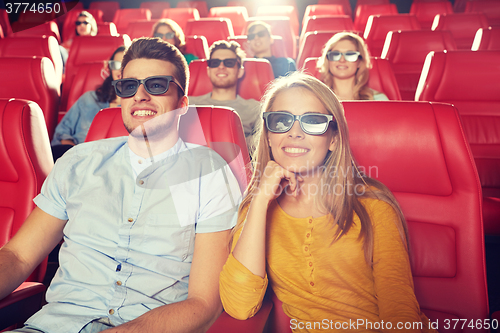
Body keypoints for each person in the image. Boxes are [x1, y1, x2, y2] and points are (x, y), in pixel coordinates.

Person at [0, 37, 241, 333]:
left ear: (182, 104)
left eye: (156, 85)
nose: (140, 95)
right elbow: (18, 256)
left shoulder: (210, 172)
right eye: (129, 86)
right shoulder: (78, 163)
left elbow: (205, 303)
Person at [219, 72, 436, 332]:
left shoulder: (373, 205)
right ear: (268, 136)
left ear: (333, 138)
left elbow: (400, 312)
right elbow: (239, 306)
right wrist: (260, 199)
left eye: (312, 121)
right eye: (281, 121)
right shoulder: (258, 207)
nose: (295, 133)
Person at [51, 45, 125, 161]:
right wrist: (77, 156)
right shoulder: (89, 98)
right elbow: (62, 133)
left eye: (125, 64)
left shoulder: (136, 108)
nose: (120, 69)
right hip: (75, 158)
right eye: (116, 64)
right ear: (110, 69)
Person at [188, 40, 261, 150]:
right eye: (215, 63)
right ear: (208, 71)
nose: (221, 66)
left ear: (240, 71)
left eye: (229, 63)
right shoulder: (188, 104)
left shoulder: (255, 108)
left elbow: (262, 145)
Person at [317, 32, 389, 101]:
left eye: (350, 55)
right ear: (328, 60)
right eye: (335, 54)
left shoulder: (378, 99)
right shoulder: (316, 98)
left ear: (359, 62)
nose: (342, 60)